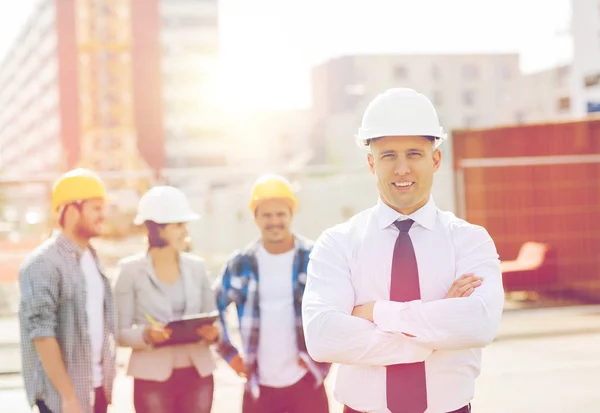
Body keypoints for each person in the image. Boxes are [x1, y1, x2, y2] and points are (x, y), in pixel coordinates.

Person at [302, 88, 505, 413]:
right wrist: (435, 328)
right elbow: (323, 337)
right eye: (388, 156)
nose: (401, 169)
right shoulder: (337, 243)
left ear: (435, 159)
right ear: (371, 163)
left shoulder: (470, 240)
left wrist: (376, 313)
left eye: (413, 154)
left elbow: (479, 323)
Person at [215, 174, 331, 413]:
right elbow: (213, 308)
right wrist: (229, 353)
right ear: (255, 217)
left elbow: (337, 307)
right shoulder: (240, 263)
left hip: (306, 380)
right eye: (266, 215)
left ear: (291, 215)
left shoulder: (315, 258)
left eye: (280, 214)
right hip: (258, 384)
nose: (274, 221)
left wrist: (322, 356)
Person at [18, 168, 117, 413]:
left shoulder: (91, 257)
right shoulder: (43, 263)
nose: (103, 215)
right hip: (62, 400)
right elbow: (42, 334)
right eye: (96, 208)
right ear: (72, 211)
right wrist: (69, 397)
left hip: (96, 390)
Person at [114, 186, 220, 413]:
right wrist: (146, 335)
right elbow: (119, 331)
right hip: (151, 376)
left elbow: (213, 320)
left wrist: (214, 333)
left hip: (197, 373)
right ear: (156, 229)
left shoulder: (197, 267)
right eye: (179, 225)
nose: (185, 231)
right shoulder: (129, 271)